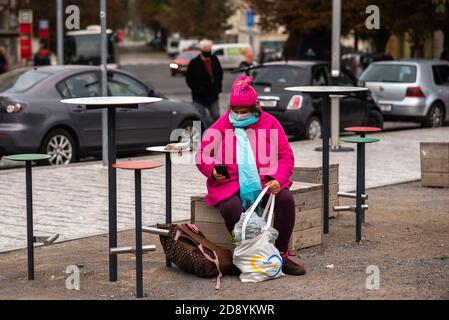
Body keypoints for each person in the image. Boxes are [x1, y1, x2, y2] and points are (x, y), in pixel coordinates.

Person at [195, 75, 306, 276]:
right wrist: (212, 170)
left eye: (243, 111)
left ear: (256, 107)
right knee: (231, 208)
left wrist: (277, 180)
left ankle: (280, 255)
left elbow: (286, 156)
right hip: (230, 183)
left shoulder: (270, 123)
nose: (238, 115)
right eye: (234, 111)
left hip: (265, 182)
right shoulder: (222, 124)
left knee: (286, 199)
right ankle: (249, 255)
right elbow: (202, 154)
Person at [186, 39, 223, 123]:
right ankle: (201, 134)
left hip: (213, 95)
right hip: (199, 97)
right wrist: (198, 89)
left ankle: (218, 133)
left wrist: (217, 88)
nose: (207, 51)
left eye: (209, 49)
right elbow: (189, 79)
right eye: (205, 49)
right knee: (200, 117)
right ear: (201, 50)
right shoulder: (194, 62)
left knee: (216, 115)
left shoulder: (214, 60)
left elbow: (219, 74)